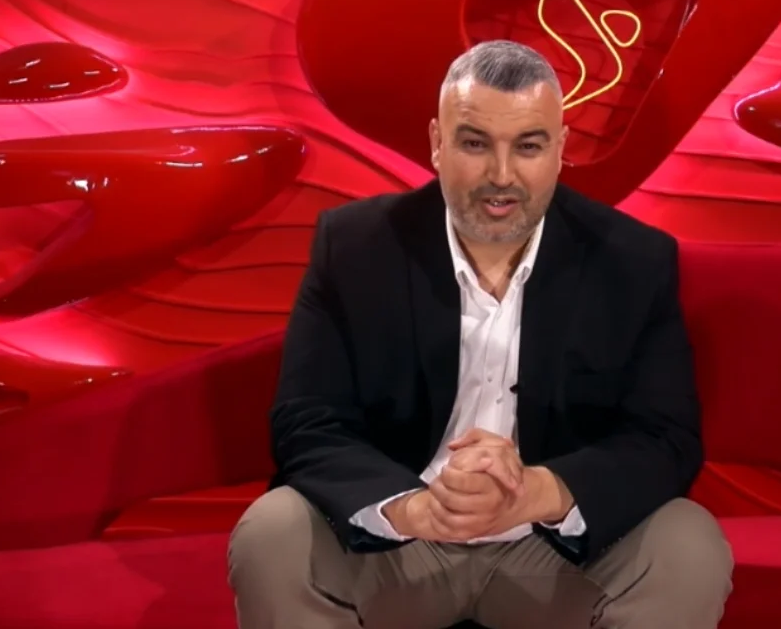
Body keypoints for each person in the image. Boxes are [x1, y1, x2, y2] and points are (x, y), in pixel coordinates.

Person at [227, 40, 733, 629]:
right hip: (397, 549)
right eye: (474, 143)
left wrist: (540, 491)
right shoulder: (356, 248)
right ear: (437, 143)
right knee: (273, 531)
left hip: (553, 556)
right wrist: (411, 508)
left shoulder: (633, 261)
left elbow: (665, 438)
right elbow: (307, 420)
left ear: (561, 149)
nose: (501, 176)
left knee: (687, 543)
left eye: (528, 146)